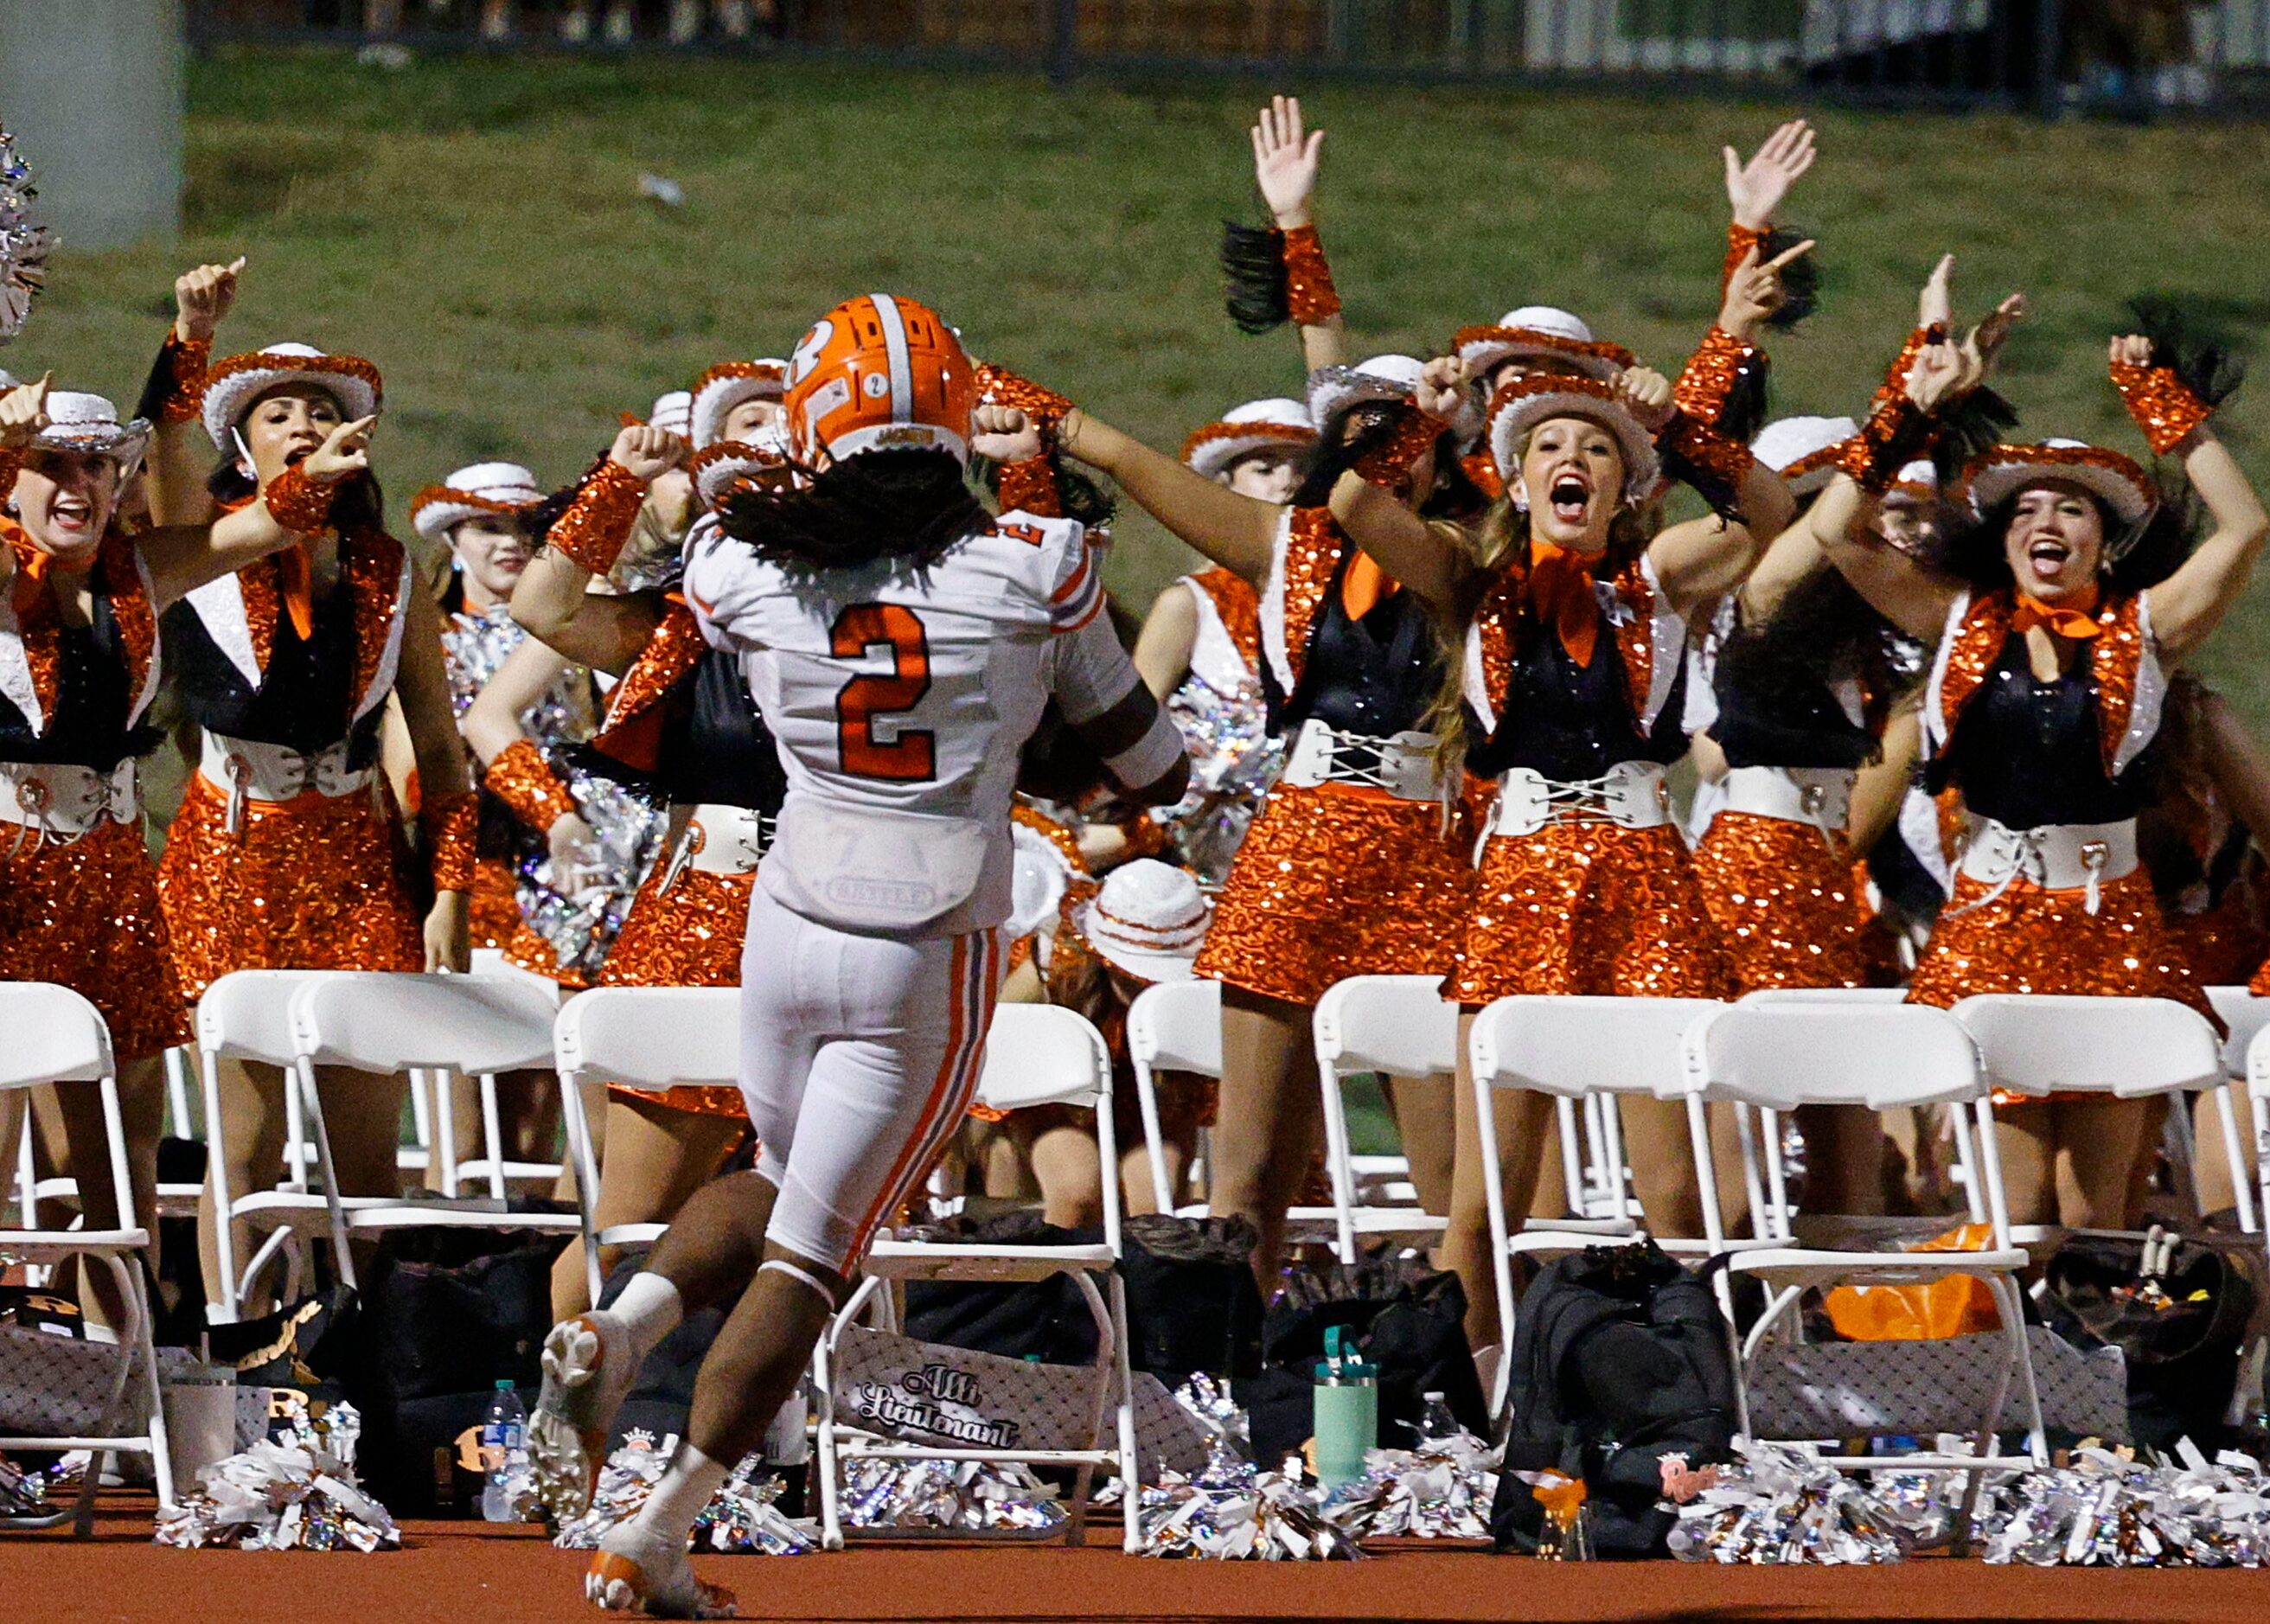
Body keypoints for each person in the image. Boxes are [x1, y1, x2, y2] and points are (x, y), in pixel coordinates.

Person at [527, 295, 1184, 1616]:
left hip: (787, 916)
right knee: (812, 1259)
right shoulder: (1037, 561)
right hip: (927, 936)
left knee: (774, 1178)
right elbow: (1149, 758)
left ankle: (624, 1321)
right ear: (949, 419)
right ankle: (659, 1527)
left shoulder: (738, 562)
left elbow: (636, 612)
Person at [1814, 305, 2267, 1227]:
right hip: (1994, 919)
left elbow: (2245, 526)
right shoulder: (1956, 620)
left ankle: (2093, 1374)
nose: (2048, 521)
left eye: (2074, 509)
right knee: (2019, 1218)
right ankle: (2005, 1367)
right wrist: (1909, 410)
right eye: (2027, 508)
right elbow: (1835, 533)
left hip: (2113, 927)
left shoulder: (2146, 633)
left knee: (2094, 1219)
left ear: (2105, 540)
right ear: (2003, 538)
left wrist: (2165, 407)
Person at [137, 260, 479, 1319]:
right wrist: (189, 337)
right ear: (245, 445)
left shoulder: (390, 568)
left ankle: (370, 1354)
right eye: (276, 413)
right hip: (232, 847)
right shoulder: (205, 547)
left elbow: (441, 745)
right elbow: (158, 450)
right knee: (246, 1141)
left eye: (318, 410)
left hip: (355, 856)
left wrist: (452, 897)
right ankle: (236, 1346)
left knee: (367, 1149)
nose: (298, 424)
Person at [0, 374, 372, 1321]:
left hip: (111, 875)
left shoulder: (137, 571)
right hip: (6, 877)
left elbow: (254, 532)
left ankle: (116, 1385)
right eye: (52, 464)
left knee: (118, 1174)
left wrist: (309, 479)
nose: (77, 483)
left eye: (95, 462)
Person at [508, 421, 783, 1320]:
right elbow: (543, 608)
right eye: (743, 501)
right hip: (704, 922)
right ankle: (561, 1434)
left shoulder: (885, 638)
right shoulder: (681, 634)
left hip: (840, 921)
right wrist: (620, 480)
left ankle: (787, 1443)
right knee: (632, 1223)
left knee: (821, 1226)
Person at [1130, 400, 1313, 881]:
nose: (1287, 482)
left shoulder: (1345, 604)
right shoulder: (1189, 605)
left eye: (1304, 469)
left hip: (1313, 844)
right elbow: (1128, 730)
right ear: (1224, 487)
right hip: (1198, 854)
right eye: (1265, 468)